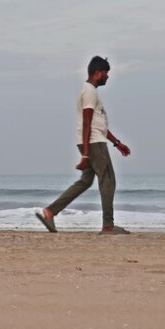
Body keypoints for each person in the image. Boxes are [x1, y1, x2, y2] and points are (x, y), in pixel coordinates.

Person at [35, 56, 131, 234]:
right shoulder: (89, 92)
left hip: (91, 141)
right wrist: (86, 154)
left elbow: (98, 125)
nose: (108, 77)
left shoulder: (90, 92)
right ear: (97, 73)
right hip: (93, 143)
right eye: (106, 73)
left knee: (86, 181)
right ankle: (108, 226)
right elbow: (87, 124)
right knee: (108, 180)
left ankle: (50, 211)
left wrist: (117, 143)